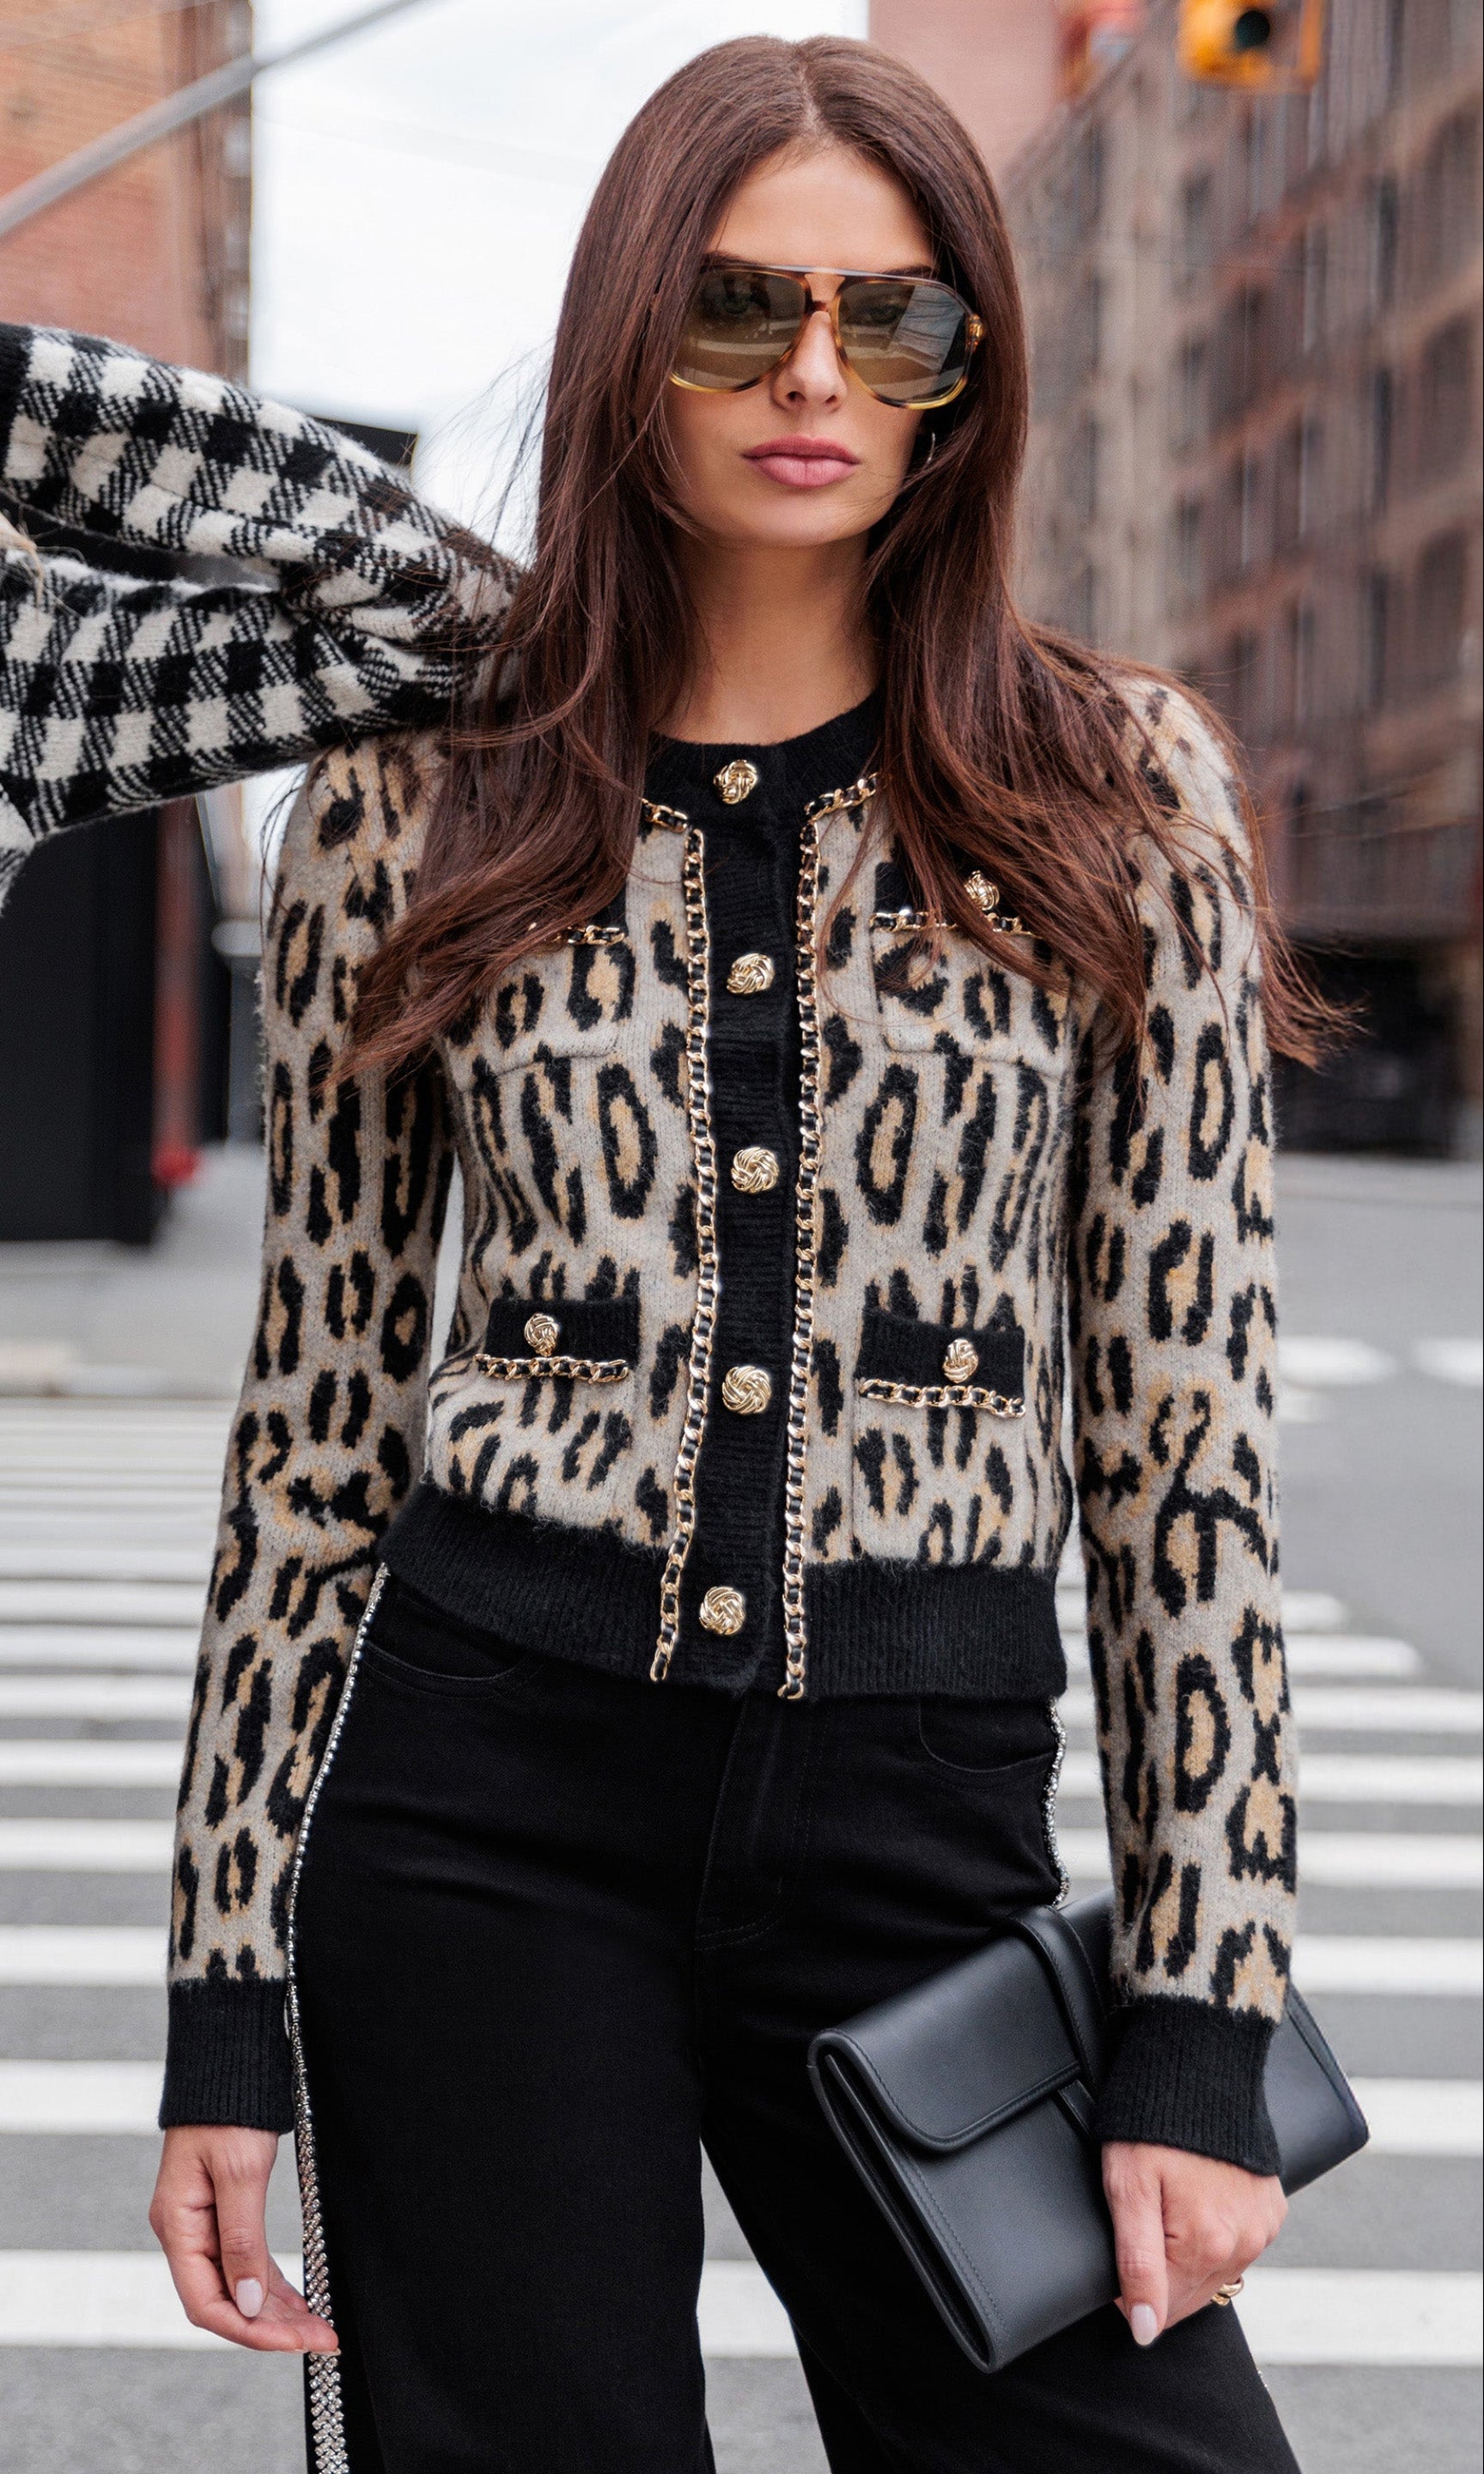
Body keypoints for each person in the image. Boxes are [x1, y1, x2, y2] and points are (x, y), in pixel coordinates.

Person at [0, 34, 1316, 2474]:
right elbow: (313, 1435)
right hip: (481, 1807)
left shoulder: (1121, 799)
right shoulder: (427, 788)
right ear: (635, 338)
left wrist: (1205, 2027)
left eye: (893, 322)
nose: (815, 377)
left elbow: (1185, 1460)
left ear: (966, 375)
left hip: (927, 1824)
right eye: (737, 310)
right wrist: (220, 2007)